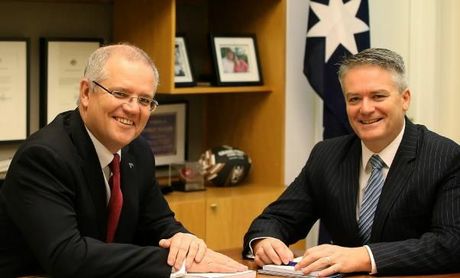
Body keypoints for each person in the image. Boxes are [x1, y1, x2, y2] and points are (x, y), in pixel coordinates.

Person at [0, 43, 246, 277]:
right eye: (120, 93)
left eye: (144, 100)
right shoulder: (44, 157)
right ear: (86, 93)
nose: (133, 108)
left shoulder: (137, 151)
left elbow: (158, 224)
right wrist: (172, 262)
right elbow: (68, 256)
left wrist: (184, 241)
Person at [243, 48, 460, 276]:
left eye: (378, 96)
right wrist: (265, 241)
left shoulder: (445, 157)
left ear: (404, 99)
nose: (365, 109)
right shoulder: (327, 155)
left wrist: (366, 256)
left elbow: (452, 243)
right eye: (354, 99)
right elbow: (275, 219)